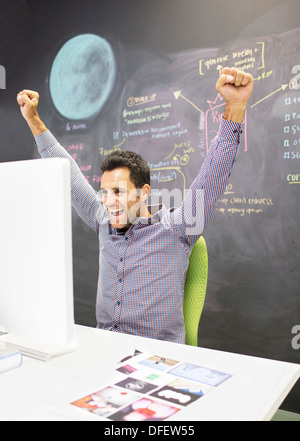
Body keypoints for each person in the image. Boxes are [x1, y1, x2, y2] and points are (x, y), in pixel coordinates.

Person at [17, 67, 254, 344]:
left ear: (143, 193)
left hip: (156, 359)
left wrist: (235, 107)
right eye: (104, 192)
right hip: (104, 350)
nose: (108, 201)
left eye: (118, 192)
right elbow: (66, 171)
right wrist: (33, 119)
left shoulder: (178, 228)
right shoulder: (102, 220)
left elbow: (214, 172)